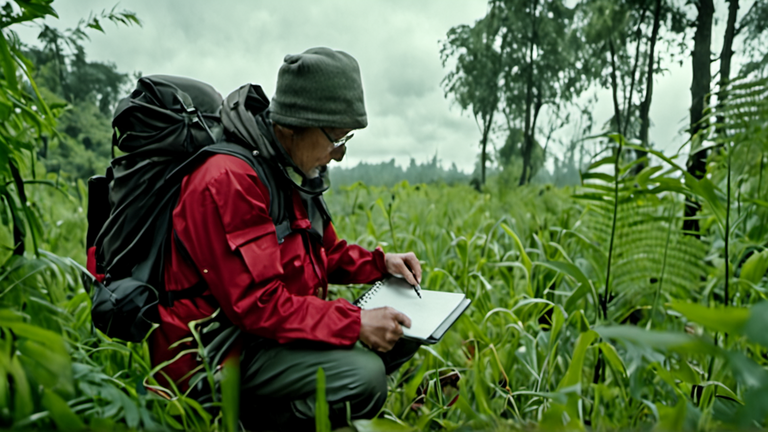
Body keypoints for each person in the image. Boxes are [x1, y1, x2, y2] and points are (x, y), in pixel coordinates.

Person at [149, 47, 423, 430]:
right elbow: (258, 304)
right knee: (365, 377)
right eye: (336, 140)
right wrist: (354, 322)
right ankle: (250, 422)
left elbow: (323, 252)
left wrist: (380, 264)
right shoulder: (228, 180)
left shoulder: (289, 167)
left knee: (402, 336)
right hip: (218, 350)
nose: (340, 155)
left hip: (263, 336)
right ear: (295, 124)